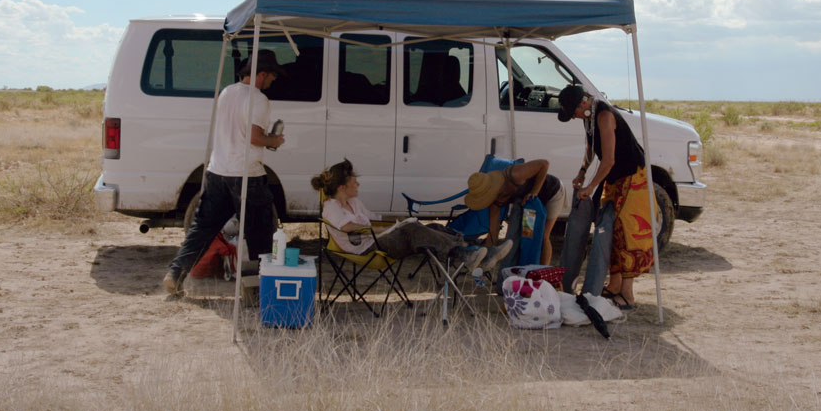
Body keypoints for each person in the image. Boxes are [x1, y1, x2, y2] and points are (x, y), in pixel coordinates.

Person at [162, 50, 286, 295]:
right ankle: (257, 288)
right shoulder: (259, 99)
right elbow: (254, 137)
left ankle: (176, 273)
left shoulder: (227, 92)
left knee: (203, 228)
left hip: (217, 171)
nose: (273, 80)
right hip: (247, 174)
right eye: (271, 76)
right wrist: (275, 139)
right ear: (261, 74)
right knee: (260, 233)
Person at [312, 159, 511, 270]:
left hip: (379, 240)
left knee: (430, 228)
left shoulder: (354, 202)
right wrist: (383, 229)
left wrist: (397, 221)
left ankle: (473, 252)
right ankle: (466, 253)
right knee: (413, 230)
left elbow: (375, 217)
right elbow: (347, 228)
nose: (358, 185)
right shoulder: (331, 207)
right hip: (367, 250)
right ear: (341, 187)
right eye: (354, 182)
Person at [556, 84, 652, 310]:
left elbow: (608, 160)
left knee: (626, 232)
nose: (573, 117)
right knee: (610, 230)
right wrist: (582, 171)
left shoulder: (605, 116)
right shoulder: (588, 118)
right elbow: (590, 149)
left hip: (631, 177)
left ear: (583, 103)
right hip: (615, 178)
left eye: (573, 112)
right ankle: (615, 284)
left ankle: (627, 294)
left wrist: (590, 186)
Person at [463, 159, 567, 266]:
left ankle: (545, 271)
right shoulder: (494, 202)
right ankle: (529, 268)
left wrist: (534, 191)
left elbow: (544, 164)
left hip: (553, 191)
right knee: (528, 235)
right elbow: (493, 230)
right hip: (530, 205)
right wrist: (489, 252)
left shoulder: (515, 174)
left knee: (544, 235)